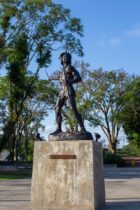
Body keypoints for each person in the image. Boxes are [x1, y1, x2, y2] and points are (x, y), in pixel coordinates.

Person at [51, 52, 86, 134]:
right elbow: (58, 77)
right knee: (57, 108)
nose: (60, 59)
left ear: (65, 58)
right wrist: (52, 78)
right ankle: (58, 128)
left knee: (74, 109)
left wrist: (70, 81)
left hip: (69, 89)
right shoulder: (62, 71)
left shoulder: (69, 68)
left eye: (61, 57)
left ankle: (82, 128)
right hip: (62, 91)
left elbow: (79, 78)